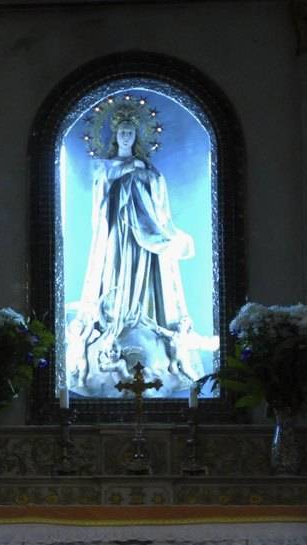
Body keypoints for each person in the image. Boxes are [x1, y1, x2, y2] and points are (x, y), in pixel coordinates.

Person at [69, 95, 197, 396]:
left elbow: (160, 205)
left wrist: (138, 180)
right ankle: (115, 321)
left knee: (147, 278)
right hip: (116, 236)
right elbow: (98, 207)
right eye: (121, 132)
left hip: (144, 241)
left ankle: (142, 318)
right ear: (114, 136)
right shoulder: (104, 167)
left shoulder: (147, 169)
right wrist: (122, 187)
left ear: (137, 136)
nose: (126, 136)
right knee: (113, 279)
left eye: (130, 132)